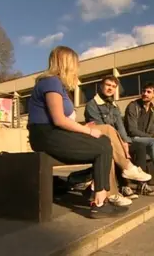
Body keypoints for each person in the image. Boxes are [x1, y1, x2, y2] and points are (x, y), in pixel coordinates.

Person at [26, 45, 126, 219]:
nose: (77, 68)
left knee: (103, 143)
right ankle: (100, 202)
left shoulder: (58, 85)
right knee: (102, 147)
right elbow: (58, 119)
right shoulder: (51, 82)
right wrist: (87, 131)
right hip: (46, 135)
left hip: (53, 133)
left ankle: (92, 189)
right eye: (76, 64)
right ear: (67, 64)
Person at [84, 76, 154, 198]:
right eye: (108, 85)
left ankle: (142, 185)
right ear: (101, 86)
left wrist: (125, 142)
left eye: (113, 87)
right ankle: (124, 186)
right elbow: (100, 129)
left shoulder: (114, 106)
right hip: (100, 140)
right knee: (112, 150)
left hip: (118, 140)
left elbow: (120, 126)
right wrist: (120, 143)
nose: (110, 88)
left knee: (139, 147)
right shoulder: (92, 104)